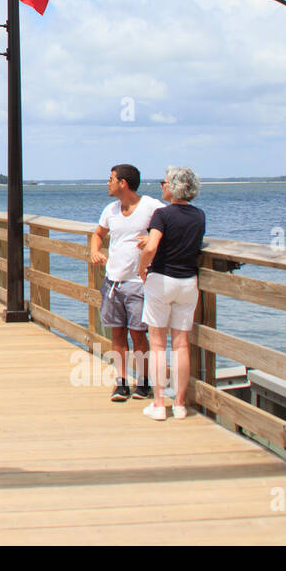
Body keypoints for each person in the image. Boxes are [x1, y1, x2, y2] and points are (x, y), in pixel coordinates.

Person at [138, 166, 207, 421]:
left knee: (157, 343)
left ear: (174, 186)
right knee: (181, 344)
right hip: (188, 282)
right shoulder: (199, 216)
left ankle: (158, 404)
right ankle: (179, 404)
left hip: (162, 280)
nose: (161, 186)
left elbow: (153, 245)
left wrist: (141, 267)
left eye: (163, 182)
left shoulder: (161, 214)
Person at [90, 164, 163, 402]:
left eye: (111, 179)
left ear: (123, 183)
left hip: (137, 283)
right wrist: (94, 251)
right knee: (117, 333)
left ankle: (143, 383)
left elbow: (171, 224)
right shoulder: (110, 209)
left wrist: (152, 237)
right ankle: (121, 383)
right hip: (113, 281)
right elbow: (98, 233)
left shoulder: (151, 206)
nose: (107, 183)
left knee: (139, 334)